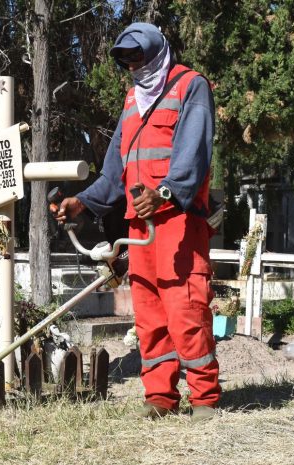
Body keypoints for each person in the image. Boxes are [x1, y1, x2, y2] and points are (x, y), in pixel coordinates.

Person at [56, 22, 220, 421]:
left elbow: (193, 156)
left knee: (186, 307)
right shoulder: (133, 101)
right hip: (139, 227)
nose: (133, 66)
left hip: (179, 221)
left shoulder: (189, 86)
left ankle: (205, 399)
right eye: (126, 61)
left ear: (157, 51)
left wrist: (163, 193)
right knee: (148, 313)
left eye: (138, 57)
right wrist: (83, 202)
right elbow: (116, 172)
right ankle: (160, 397)